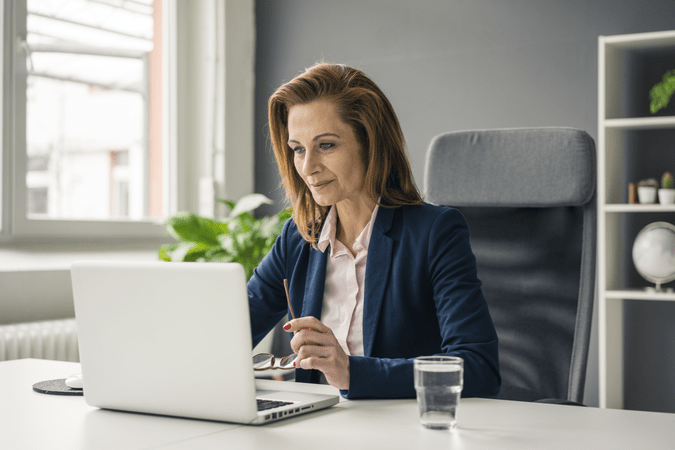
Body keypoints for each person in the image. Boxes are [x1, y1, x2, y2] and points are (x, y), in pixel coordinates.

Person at [247, 63, 500, 399]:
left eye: (326, 145)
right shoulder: (299, 238)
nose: (308, 167)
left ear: (370, 142)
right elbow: (230, 332)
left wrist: (349, 371)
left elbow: (478, 368)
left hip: (401, 429)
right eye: (298, 149)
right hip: (315, 429)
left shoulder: (434, 233)